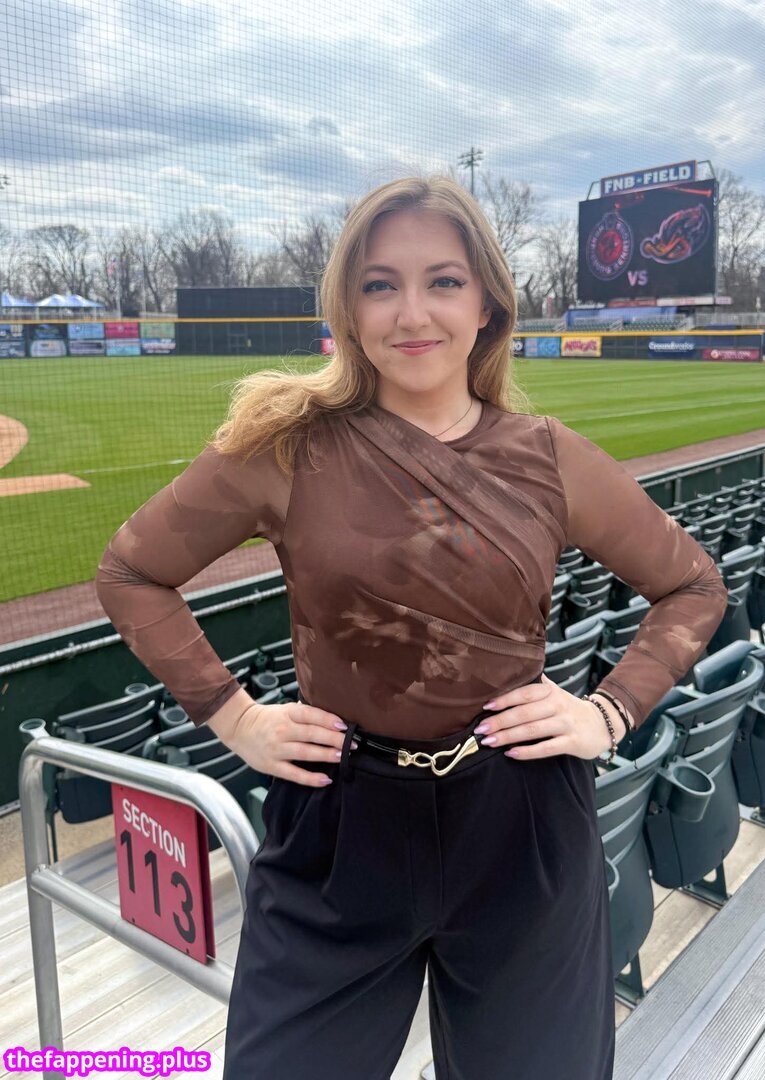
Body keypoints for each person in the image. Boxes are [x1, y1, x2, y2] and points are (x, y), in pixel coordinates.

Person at [95, 173, 729, 1080]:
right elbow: (131, 571)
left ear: (486, 304)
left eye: (444, 281)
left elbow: (694, 585)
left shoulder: (548, 457)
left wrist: (608, 711)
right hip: (338, 823)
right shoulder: (286, 448)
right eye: (380, 284)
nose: (412, 312)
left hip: (521, 827)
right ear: (349, 309)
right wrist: (235, 717)